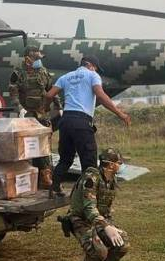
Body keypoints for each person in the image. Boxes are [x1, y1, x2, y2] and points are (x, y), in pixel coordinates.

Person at [44, 55, 130, 195]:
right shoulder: (92, 75)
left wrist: (46, 109)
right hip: (81, 122)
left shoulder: (66, 77)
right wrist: (120, 114)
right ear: (90, 65)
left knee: (65, 159)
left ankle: (54, 188)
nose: (95, 70)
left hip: (65, 121)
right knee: (89, 161)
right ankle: (87, 195)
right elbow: (100, 95)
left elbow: (49, 96)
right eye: (95, 68)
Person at [58, 148, 130, 261]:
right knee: (98, 251)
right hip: (80, 220)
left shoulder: (110, 179)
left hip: (99, 220)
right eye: (119, 162)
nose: (120, 165)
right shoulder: (91, 179)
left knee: (123, 244)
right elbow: (89, 208)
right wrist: (106, 226)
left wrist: (109, 224)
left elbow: (105, 207)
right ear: (110, 165)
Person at [9, 45, 61, 188]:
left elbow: (51, 90)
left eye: (39, 58)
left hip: (42, 114)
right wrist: (19, 109)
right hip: (27, 115)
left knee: (44, 146)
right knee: (27, 147)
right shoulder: (18, 73)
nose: (39, 61)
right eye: (36, 58)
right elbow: (13, 94)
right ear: (27, 59)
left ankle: (46, 177)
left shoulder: (43, 72)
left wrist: (59, 106)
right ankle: (28, 177)